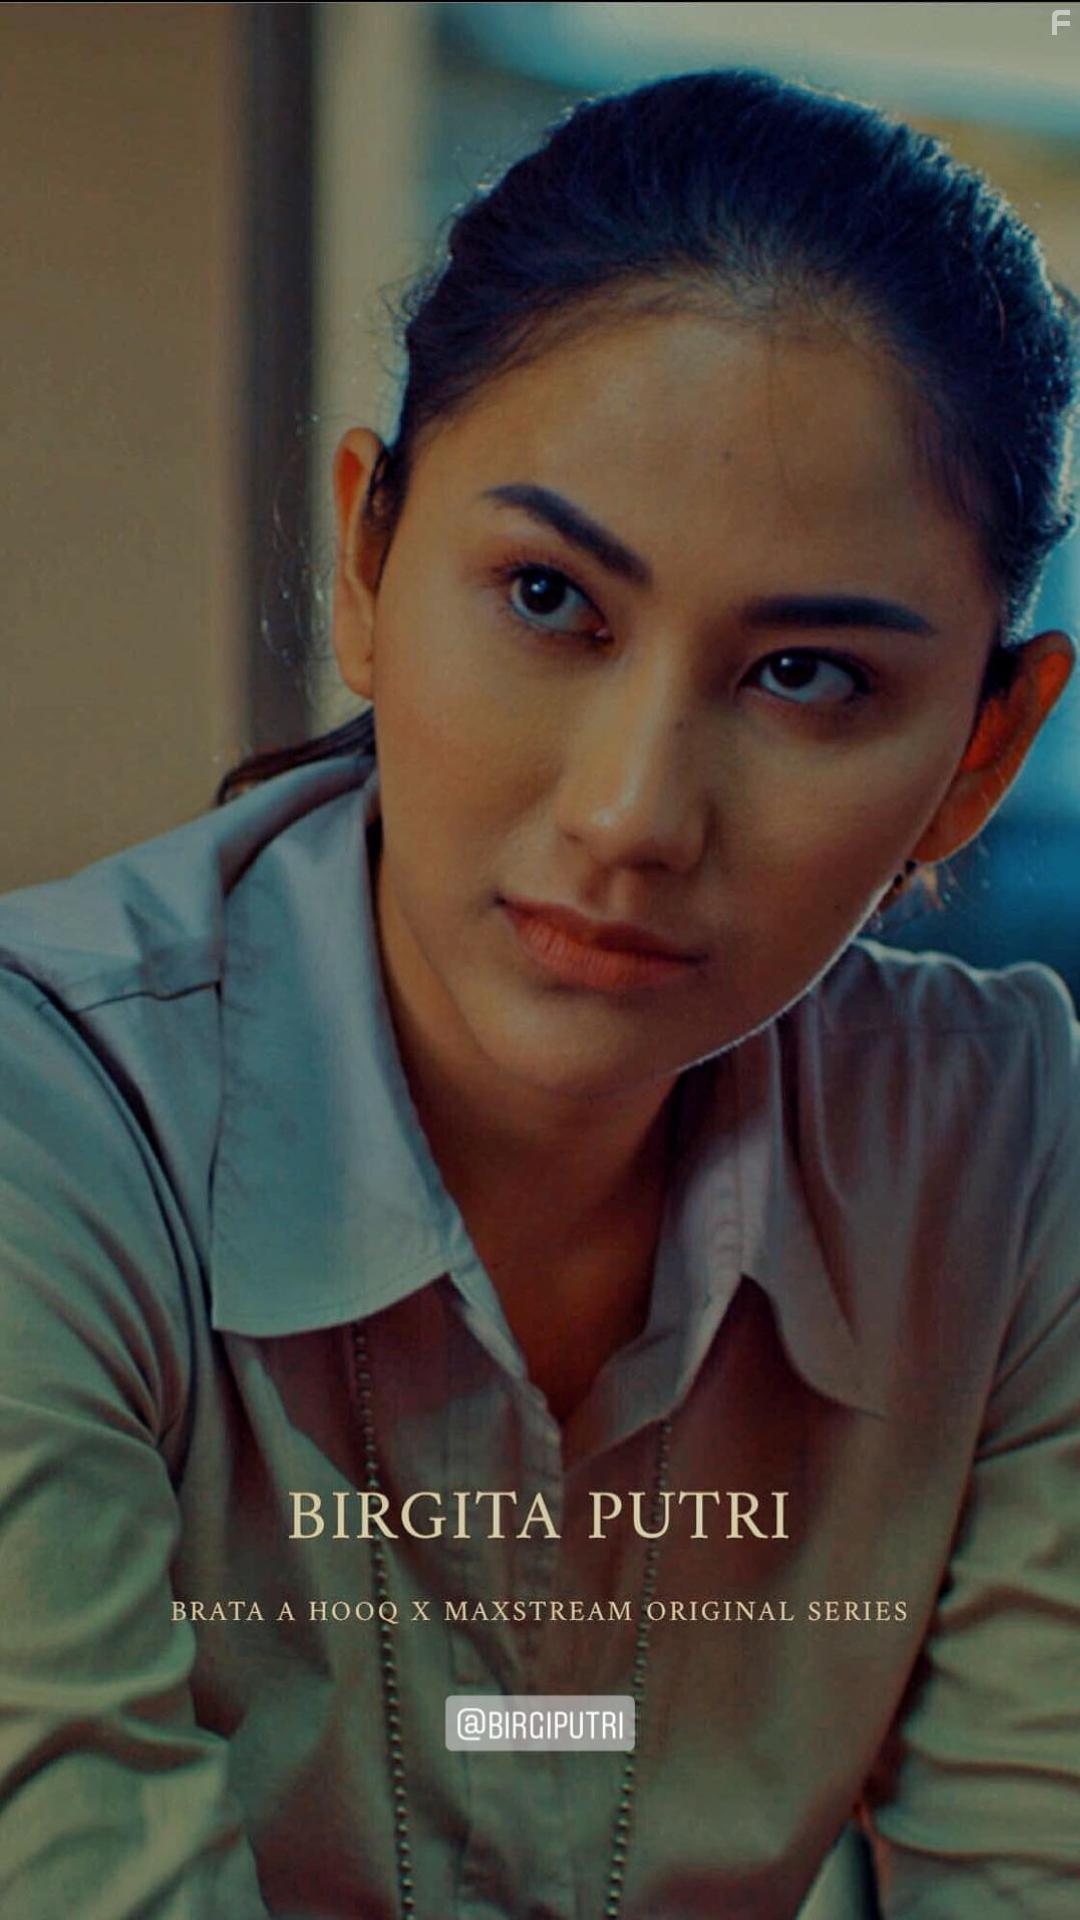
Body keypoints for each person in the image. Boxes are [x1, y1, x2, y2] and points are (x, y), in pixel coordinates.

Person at [0, 65, 1078, 1920]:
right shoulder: (49, 1140)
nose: (632, 815)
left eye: (810, 676)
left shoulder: (1008, 1156)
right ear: (365, 561)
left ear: (982, 757)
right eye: (549, 600)